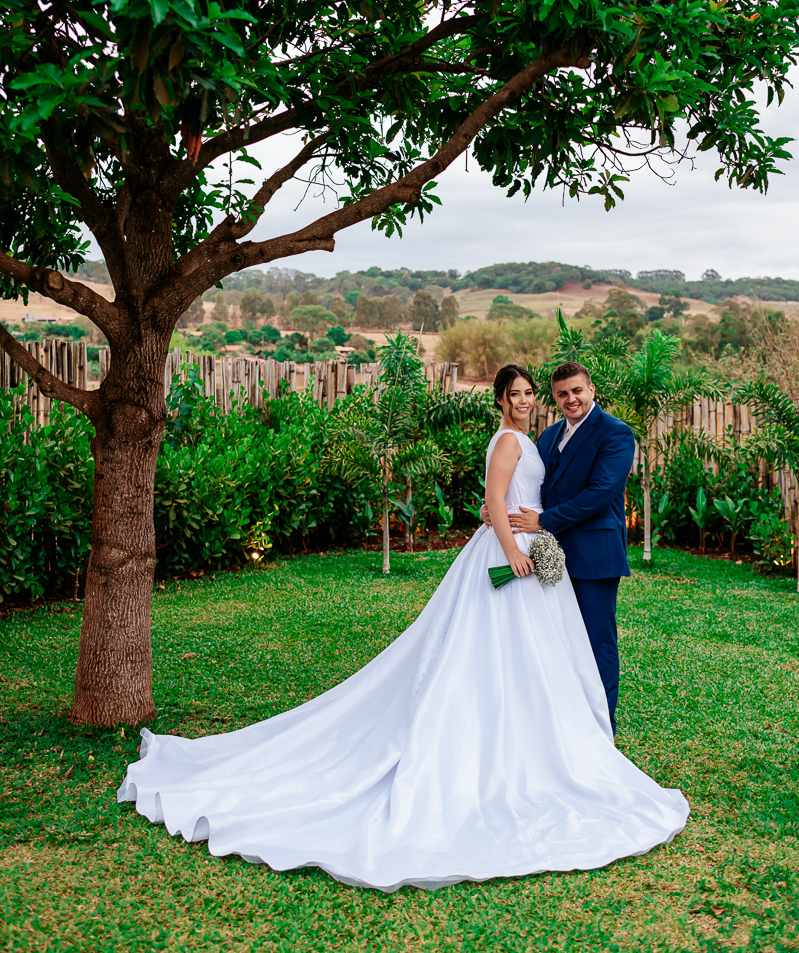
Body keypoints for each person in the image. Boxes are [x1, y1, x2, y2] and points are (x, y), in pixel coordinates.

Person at [119, 365, 687, 893]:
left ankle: (591, 737)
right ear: (502, 400)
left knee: (585, 649)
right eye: (527, 394)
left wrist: (533, 527)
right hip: (524, 553)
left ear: (585, 392)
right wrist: (513, 539)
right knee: (517, 655)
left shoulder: (607, 434)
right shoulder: (526, 439)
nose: (549, 400)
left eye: (554, 393)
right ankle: (549, 743)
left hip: (571, 553)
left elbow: (595, 492)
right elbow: (502, 494)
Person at [481, 360, 634, 733]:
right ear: (554, 397)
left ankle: (602, 727)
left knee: (596, 642)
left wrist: (543, 521)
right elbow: (532, 489)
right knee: (559, 642)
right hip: (549, 555)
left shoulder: (615, 433)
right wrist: (496, 507)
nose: (571, 399)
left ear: (591, 390)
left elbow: (600, 494)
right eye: (563, 394)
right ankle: (564, 724)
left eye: (577, 391)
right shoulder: (548, 437)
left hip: (594, 554)